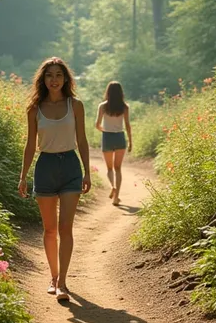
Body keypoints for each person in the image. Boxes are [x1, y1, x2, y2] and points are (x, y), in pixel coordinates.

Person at [18, 57, 91, 302]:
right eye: (49, 75)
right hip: (45, 166)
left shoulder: (76, 105)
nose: (54, 80)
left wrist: (87, 171)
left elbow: (82, 140)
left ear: (66, 78)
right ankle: (53, 276)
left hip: (70, 165)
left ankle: (63, 283)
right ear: (43, 79)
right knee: (50, 230)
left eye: (58, 75)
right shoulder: (34, 108)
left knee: (65, 227)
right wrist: (23, 176)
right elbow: (30, 145)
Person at [95, 81, 132, 206]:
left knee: (109, 168)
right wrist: (131, 142)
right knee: (118, 169)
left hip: (107, 137)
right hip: (120, 137)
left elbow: (97, 124)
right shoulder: (125, 107)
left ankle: (113, 186)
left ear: (108, 92)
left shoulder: (103, 106)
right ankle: (116, 198)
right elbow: (127, 125)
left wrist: (104, 130)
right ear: (121, 92)